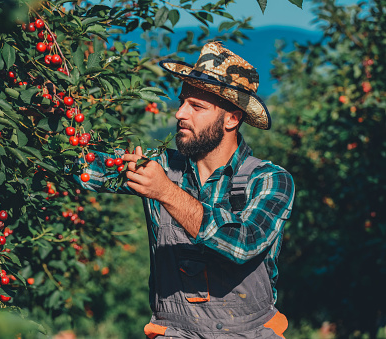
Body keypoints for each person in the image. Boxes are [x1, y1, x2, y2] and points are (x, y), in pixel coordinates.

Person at [74, 41, 295, 338]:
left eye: (196, 106)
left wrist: (166, 192)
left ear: (232, 118)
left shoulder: (269, 180)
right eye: (181, 102)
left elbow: (243, 244)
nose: (180, 114)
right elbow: (86, 166)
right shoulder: (161, 167)